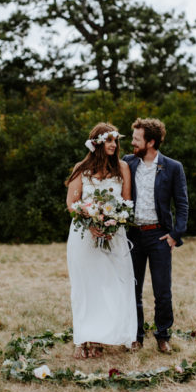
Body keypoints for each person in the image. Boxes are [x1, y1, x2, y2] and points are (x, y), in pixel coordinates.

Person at [66, 122, 137, 359]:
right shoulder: (81, 168)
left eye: (115, 141)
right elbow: (71, 204)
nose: (114, 145)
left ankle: (100, 339)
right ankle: (83, 339)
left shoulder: (123, 168)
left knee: (109, 286)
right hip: (84, 238)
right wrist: (90, 221)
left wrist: (113, 221)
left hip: (113, 236)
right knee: (85, 287)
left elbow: (126, 203)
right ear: (97, 143)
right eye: (109, 141)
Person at [123, 118, 188, 354]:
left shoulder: (173, 167)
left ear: (150, 142)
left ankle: (163, 336)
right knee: (133, 289)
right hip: (133, 236)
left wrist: (174, 235)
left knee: (162, 291)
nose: (132, 143)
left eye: (136, 139)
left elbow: (182, 204)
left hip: (159, 236)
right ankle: (135, 336)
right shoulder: (127, 163)